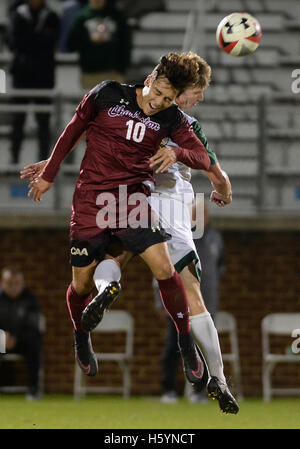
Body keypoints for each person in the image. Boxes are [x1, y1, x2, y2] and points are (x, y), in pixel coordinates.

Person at [21, 55, 239, 414]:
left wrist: (186, 159)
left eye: (184, 96)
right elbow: (83, 129)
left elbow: (209, 166)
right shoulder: (119, 98)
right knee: (102, 272)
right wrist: (53, 164)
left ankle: (200, 361)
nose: (196, 99)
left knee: (154, 269)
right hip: (115, 196)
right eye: (196, 93)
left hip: (149, 199)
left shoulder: (179, 122)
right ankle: (215, 375)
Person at [5, 0, 60, 164]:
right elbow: (13, 42)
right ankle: (14, 159)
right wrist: (38, 40)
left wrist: (29, 39)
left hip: (43, 76)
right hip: (21, 75)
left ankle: (44, 161)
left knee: (43, 120)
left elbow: (52, 42)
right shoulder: (17, 14)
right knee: (18, 119)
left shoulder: (51, 16)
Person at [65, 0, 132, 90]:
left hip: (113, 71)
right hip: (90, 72)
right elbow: (71, 44)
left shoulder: (117, 16)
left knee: (113, 102)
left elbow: (126, 42)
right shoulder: (82, 16)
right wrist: (88, 40)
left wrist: (122, 68)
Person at [0, 266, 43, 400]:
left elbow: (33, 325)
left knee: (34, 343)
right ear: (2, 283)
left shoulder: (30, 299)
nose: (13, 287)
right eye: (9, 283)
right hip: (1, 341)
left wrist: (15, 337)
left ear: (22, 284)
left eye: (17, 283)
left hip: (22, 341)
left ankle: (33, 389)